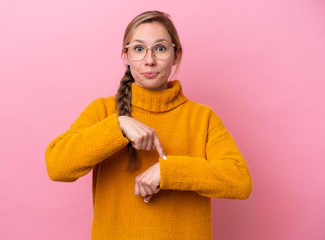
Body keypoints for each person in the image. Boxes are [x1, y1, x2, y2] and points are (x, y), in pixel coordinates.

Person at [45, 10, 252, 240]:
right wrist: (118, 126)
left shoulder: (202, 117)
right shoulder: (104, 111)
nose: (149, 59)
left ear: (176, 55)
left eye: (160, 48)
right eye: (139, 48)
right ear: (126, 55)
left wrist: (168, 171)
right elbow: (57, 166)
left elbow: (240, 181)